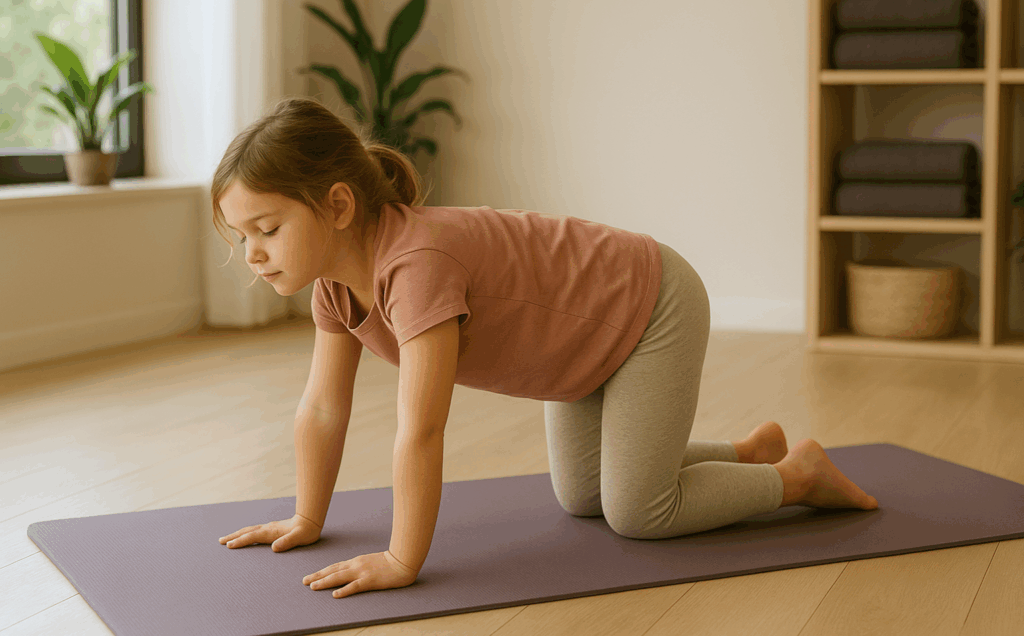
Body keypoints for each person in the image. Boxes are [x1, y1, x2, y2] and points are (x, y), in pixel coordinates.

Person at [213, 96, 879, 600]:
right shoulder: (336, 285)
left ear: (337, 206)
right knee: (583, 496)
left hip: (647, 304)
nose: (253, 254)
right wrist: (306, 514)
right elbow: (323, 408)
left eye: (266, 228)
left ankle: (796, 474)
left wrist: (402, 559)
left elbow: (422, 428)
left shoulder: (415, 266)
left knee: (640, 511)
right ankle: (745, 452)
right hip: (576, 352)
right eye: (241, 238)